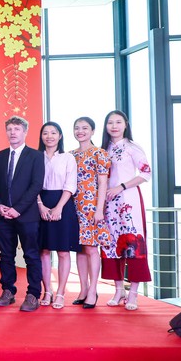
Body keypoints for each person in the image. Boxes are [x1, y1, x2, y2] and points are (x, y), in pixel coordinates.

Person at [0, 116, 45, 312]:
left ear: (25, 132)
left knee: (31, 255)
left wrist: (18, 209)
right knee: (6, 255)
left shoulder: (36, 156)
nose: (13, 132)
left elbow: (36, 185)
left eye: (17, 129)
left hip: (27, 215)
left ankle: (33, 294)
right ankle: (8, 291)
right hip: (3, 216)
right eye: (10, 129)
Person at [100, 110, 152, 311]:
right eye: (110, 122)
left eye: (118, 122)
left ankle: (133, 294)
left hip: (128, 200)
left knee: (133, 244)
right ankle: (118, 290)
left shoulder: (132, 147)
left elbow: (146, 173)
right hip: (108, 204)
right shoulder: (103, 150)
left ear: (125, 125)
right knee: (112, 244)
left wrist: (121, 187)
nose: (114, 126)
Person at [70, 116, 112, 309]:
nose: (80, 131)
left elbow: (103, 183)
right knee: (79, 248)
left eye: (85, 128)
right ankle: (83, 289)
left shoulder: (99, 153)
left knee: (91, 248)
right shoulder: (70, 155)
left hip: (91, 207)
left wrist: (99, 209)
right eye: (77, 128)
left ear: (93, 131)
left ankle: (93, 290)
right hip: (72, 206)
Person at [36, 121, 79, 310]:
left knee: (63, 251)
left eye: (53, 133)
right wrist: (40, 206)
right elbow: (32, 184)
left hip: (63, 202)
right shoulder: (36, 157)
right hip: (40, 202)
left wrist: (59, 207)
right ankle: (47, 290)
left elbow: (71, 184)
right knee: (43, 250)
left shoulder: (68, 157)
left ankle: (61, 292)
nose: (49, 136)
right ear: (41, 136)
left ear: (60, 136)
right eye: (45, 133)